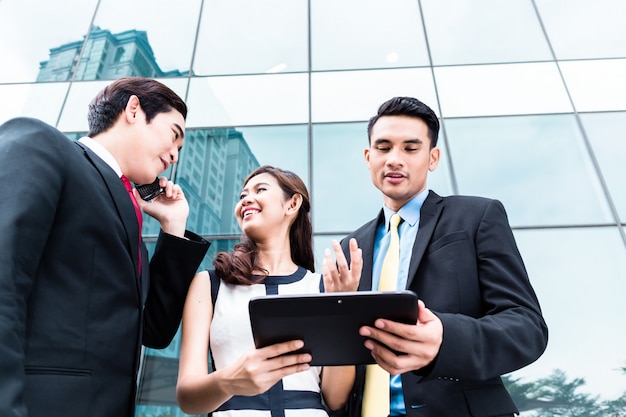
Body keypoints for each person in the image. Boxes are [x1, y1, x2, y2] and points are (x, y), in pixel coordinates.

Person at [0, 77, 210, 417]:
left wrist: (173, 228)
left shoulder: (131, 224)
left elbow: (153, 331)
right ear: (133, 110)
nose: (174, 155)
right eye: (174, 135)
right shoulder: (43, 146)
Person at [334, 96, 548, 416]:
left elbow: (527, 327)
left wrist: (444, 339)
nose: (395, 159)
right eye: (383, 147)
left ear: (432, 158)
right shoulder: (352, 248)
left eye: (410, 148)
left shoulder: (476, 216)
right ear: (368, 157)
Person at [176, 165, 362, 416]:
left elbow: (335, 398)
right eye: (242, 196)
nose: (246, 199)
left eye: (260, 189)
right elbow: (188, 398)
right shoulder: (210, 284)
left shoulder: (321, 288)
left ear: (292, 204)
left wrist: (343, 307)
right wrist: (230, 381)